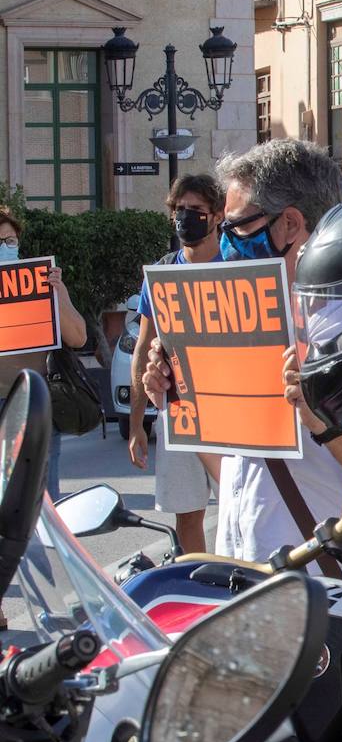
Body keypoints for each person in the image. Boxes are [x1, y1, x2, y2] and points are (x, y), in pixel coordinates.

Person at [141, 139, 342, 573]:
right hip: (253, 583)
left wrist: (325, 425)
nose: (223, 241)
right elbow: (239, 474)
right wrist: (182, 393)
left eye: (234, 228)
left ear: (289, 224)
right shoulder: (246, 328)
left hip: (329, 598)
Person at [127, 174, 223, 555]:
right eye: (179, 210)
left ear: (216, 215)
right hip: (181, 409)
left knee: (243, 509)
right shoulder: (163, 274)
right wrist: (137, 424)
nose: (186, 218)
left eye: (196, 210)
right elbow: (144, 345)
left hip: (233, 407)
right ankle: (202, 590)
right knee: (187, 513)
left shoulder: (239, 265)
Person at [0, 205, 87, 501]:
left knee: (42, 501)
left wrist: (57, 294)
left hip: (33, 405)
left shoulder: (38, 282)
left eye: (10, 241)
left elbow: (77, 337)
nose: (5, 247)